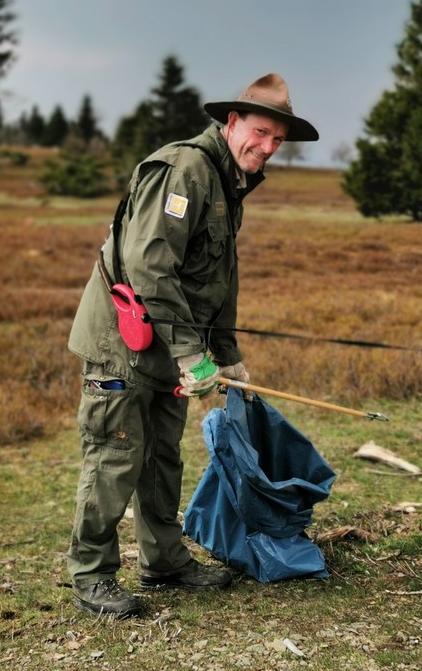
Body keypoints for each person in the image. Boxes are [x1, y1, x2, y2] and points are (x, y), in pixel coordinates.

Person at [65, 73, 320, 618]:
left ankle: (164, 562)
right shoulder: (186, 170)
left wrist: (227, 355)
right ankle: (92, 575)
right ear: (232, 123)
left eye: (278, 139)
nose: (268, 147)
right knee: (115, 457)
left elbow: (216, 280)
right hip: (123, 347)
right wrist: (190, 354)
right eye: (260, 132)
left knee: (162, 458)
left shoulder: (230, 181)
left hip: (169, 353)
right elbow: (149, 267)